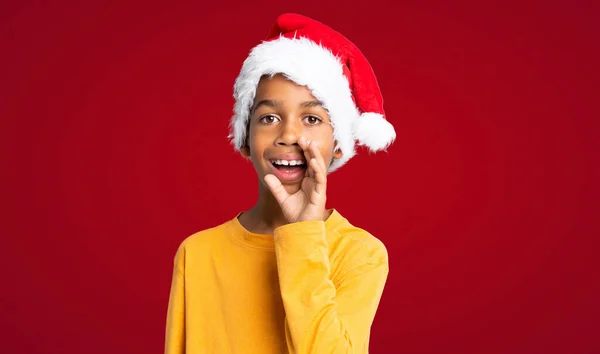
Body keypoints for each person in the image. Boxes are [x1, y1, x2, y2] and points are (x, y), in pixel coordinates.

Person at [164, 13, 396, 354]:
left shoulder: (361, 255)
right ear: (244, 138)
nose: (288, 135)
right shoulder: (196, 255)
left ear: (339, 144)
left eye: (312, 118)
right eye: (269, 118)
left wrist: (302, 236)